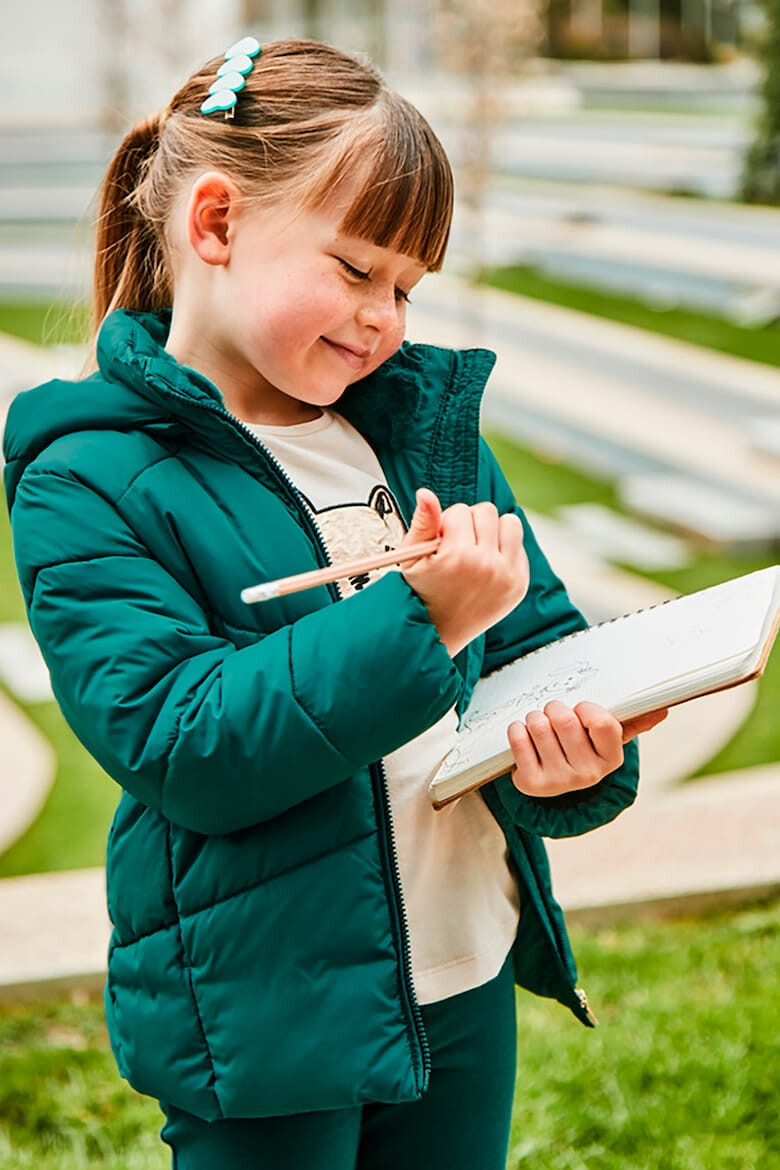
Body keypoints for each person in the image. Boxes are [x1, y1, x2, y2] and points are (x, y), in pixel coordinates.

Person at [3, 36, 667, 1170]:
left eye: (407, 288)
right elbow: (179, 741)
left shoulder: (421, 432)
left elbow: (543, 648)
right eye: (358, 270)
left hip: (465, 971)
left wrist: (577, 757)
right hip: (264, 1019)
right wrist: (425, 623)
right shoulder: (88, 477)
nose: (385, 320)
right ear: (213, 224)